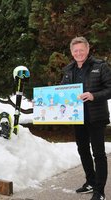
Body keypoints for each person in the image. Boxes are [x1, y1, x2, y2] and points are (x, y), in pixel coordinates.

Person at [61, 37, 111, 200]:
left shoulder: (100, 66)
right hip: (77, 117)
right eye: (75, 51)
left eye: (81, 50)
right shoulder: (69, 70)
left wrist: (93, 95)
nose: (78, 53)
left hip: (96, 117)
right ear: (71, 52)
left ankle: (99, 191)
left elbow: (110, 88)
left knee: (98, 153)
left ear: (88, 50)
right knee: (82, 150)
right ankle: (90, 181)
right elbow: (61, 92)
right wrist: (42, 102)